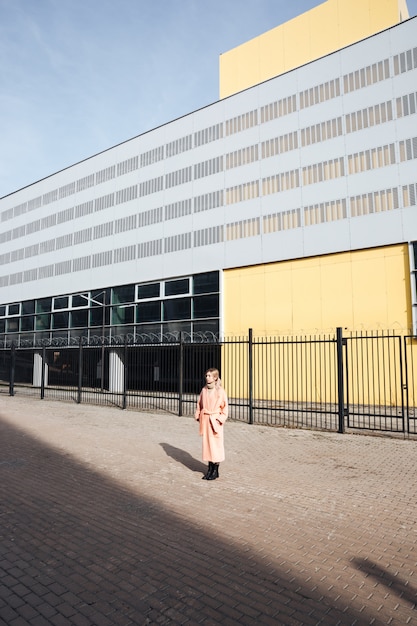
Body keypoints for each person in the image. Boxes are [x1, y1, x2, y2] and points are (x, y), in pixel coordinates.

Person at [195, 368, 228, 480]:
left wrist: (219, 419)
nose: (207, 377)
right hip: (206, 421)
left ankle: (215, 470)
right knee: (208, 446)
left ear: (215, 377)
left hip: (215, 422)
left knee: (216, 446)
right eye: (206, 375)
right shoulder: (204, 390)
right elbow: (199, 404)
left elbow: (225, 408)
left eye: (209, 376)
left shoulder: (220, 391)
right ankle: (210, 469)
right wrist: (198, 415)